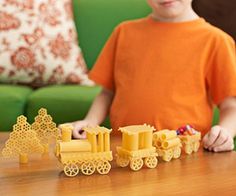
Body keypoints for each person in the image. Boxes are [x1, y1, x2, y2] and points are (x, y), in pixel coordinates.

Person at [60, 0, 236, 152]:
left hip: (184, 153)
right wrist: (90, 121)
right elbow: (108, 92)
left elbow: (231, 105)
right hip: (124, 149)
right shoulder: (124, 32)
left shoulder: (216, 41)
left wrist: (225, 131)